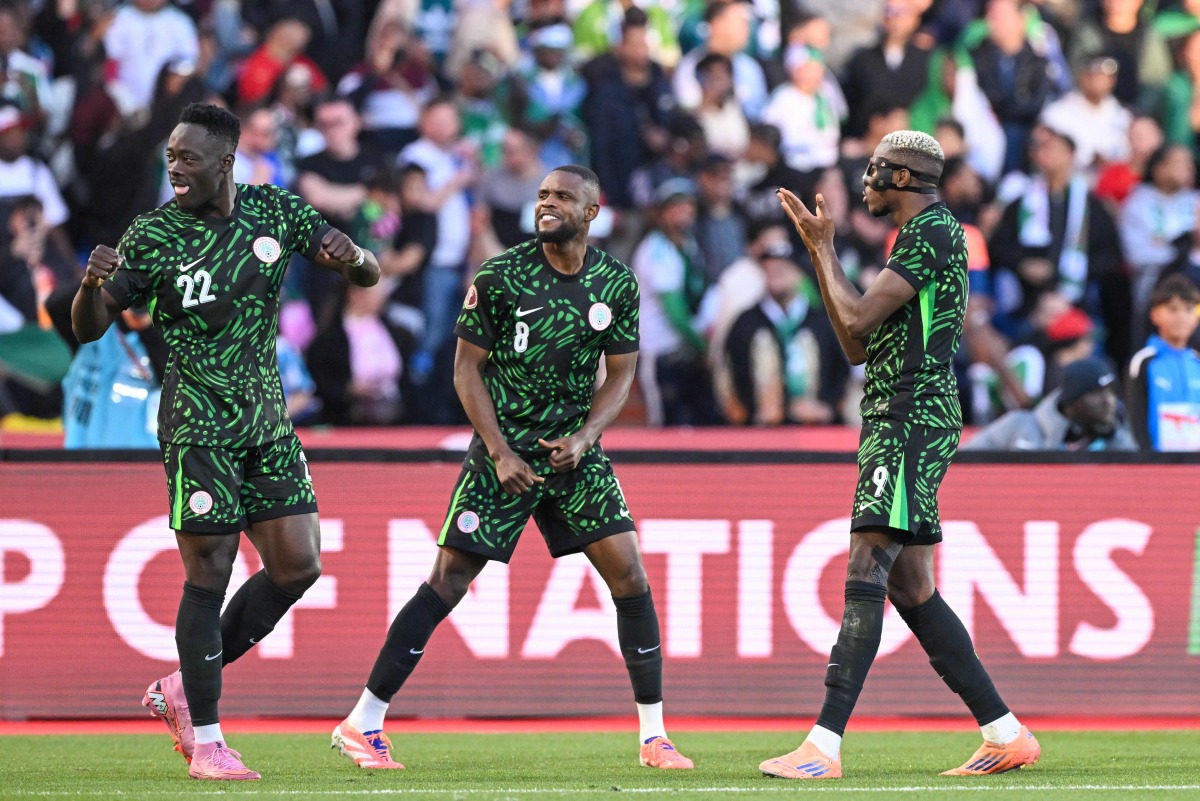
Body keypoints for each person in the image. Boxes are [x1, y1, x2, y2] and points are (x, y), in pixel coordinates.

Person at [331, 165, 694, 772]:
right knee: (447, 581)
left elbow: (623, 371)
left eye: (562, 198)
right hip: (505, 454)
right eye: (543, 195)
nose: (547, 205)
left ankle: (654, 736)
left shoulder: (615, 282)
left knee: (630, 575)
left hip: (574, 455)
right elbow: (465, 370)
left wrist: (585, 435)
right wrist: (498, 451)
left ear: (592, 212)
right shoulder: (501, 276)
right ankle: (362, 720)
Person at [70, 102, 381, 781]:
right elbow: (90, 326)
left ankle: (181, 687)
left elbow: (369, 273)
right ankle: (208, 742)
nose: (174, 168)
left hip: (267, 421)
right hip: (198, 423)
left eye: (187, 158)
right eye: (171, 158)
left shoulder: (276, 213)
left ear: (225, 163)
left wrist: (351, 255)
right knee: (208, 576)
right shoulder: (153, 234)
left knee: (298, 565)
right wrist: (92, 285)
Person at [763, 130, 1040, 779]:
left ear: (905, 176)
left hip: (910, 415)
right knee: (910, 584)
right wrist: (821, 252)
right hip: (898, 412)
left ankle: (822, 745)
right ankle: (1005, 731)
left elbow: (855, 321)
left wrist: (825, 249)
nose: (864, 181)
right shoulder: (917, 240)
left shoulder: (934, 232)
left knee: (866, 561)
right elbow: (856, 343)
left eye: (874, 170)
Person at [962, 355, 1137, 451]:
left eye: (1111, 392)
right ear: (1071, 401)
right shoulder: (1018, 425)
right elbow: (963, 462)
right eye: (1096, 394)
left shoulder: (1116, 437)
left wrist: (1113, 436)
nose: (1109, 401)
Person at [1127, 275, 1200, 451]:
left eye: (1189, 309)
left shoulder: (1197, 361)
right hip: (1158, 466)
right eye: (1173, 309)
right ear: (1154, 314)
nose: (1181, 317)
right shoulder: (1144, 361)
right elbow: (1135, 417)